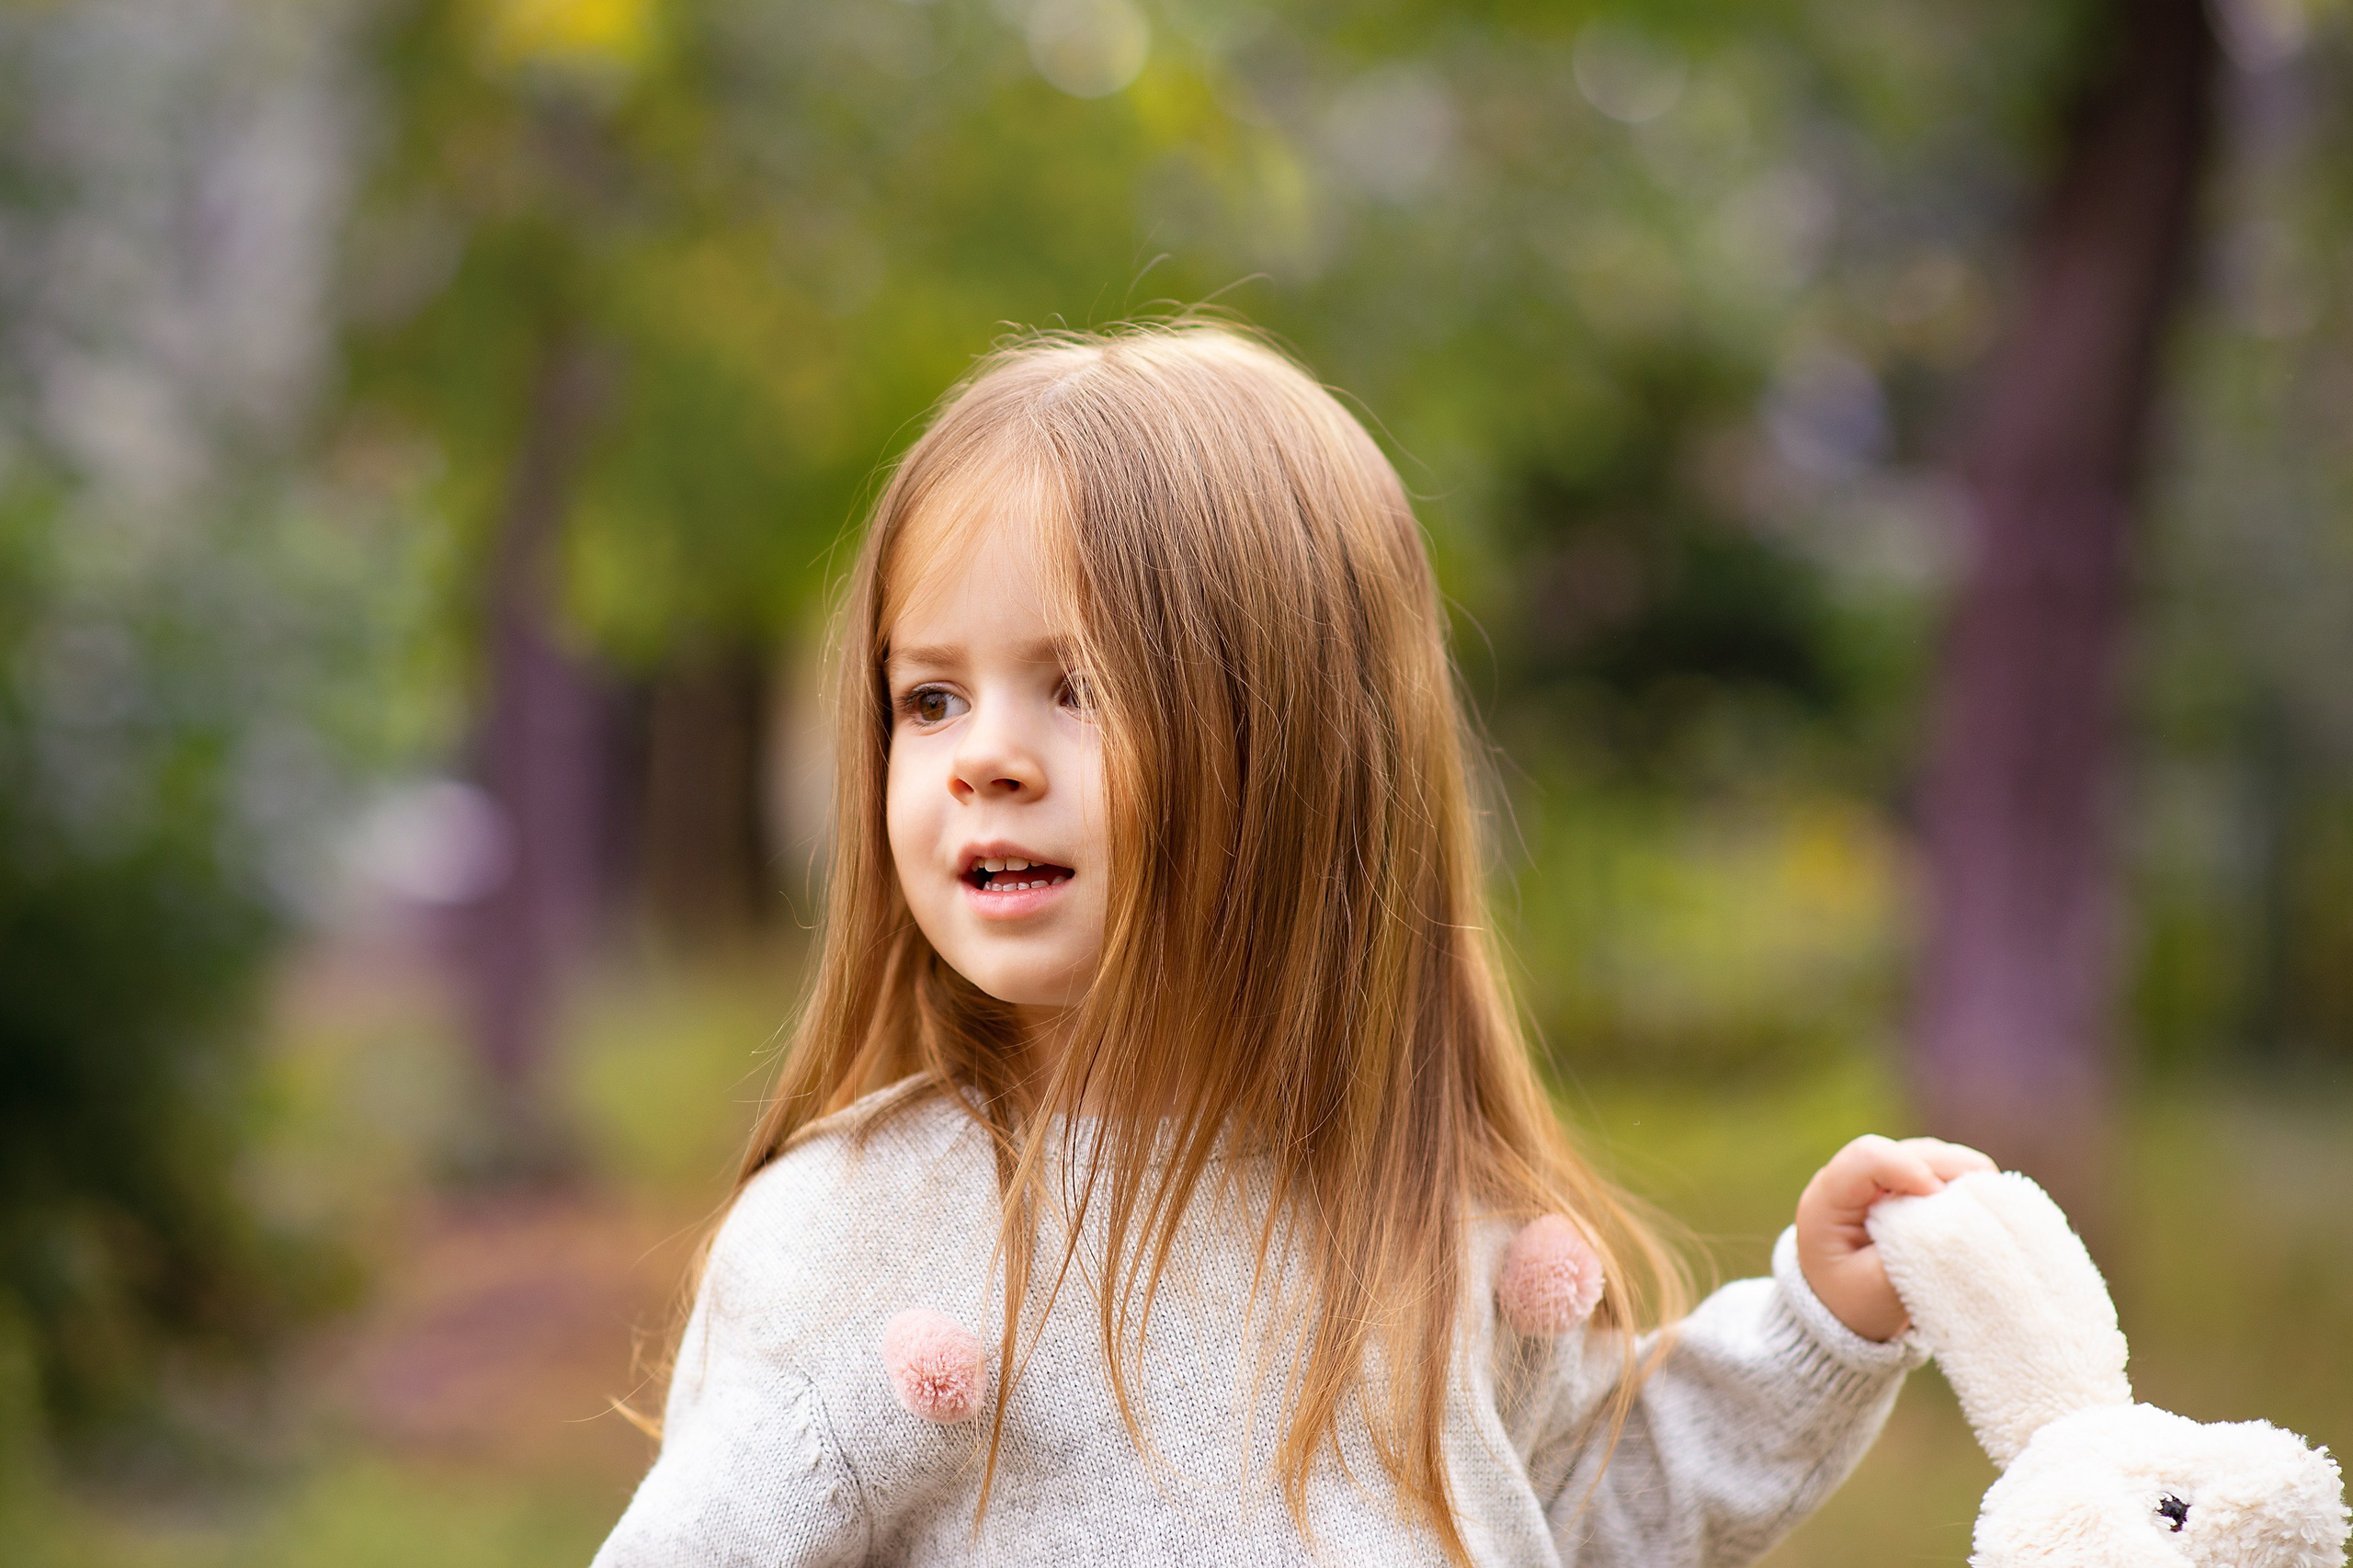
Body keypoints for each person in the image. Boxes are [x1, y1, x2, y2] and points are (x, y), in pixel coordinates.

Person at [591, 323, 1992, 1568]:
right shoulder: (844, 1233)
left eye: (1076, 685)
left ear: (1301, 754)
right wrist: (834, 1443)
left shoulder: (1437, 1219)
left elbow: (1583, 1510)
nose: (986, 761)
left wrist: (1821, 1327)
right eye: (934, 697)